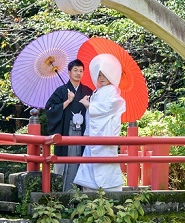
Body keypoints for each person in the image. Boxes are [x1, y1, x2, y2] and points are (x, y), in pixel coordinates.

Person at [74, 53, 127, 192]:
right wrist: (89, 105)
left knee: (105, 162)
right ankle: (90, 189)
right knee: (92, 162)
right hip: (94, 134)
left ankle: (109, 190)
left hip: (105, 133)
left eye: (104, 75)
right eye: (99, 75)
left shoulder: (113, 91)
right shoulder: (98, 92)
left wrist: (89, 106)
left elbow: (110, 107)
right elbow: (94, 114)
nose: (101, 78)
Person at [43, 59, 93, 189]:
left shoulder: (88, 91)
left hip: (83, 133)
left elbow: (96, 113)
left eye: (81, 71)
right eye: (75, 70)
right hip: (66, 132)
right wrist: (67, 101)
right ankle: (64, 193)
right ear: (69, 72)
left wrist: (89, 106)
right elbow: (49, 110)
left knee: (82, 162)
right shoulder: (61, 91)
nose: (78, 73)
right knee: (66, 163)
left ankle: (81, 195)